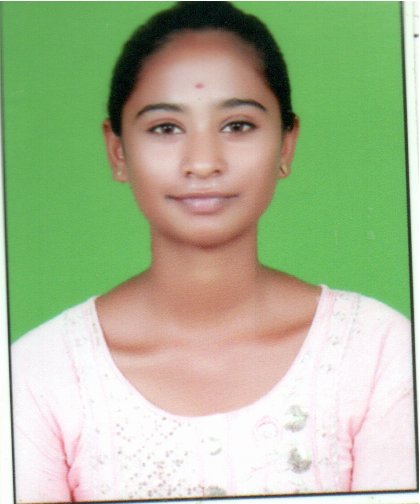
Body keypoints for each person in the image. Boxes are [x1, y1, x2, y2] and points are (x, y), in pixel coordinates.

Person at [11, 2, 416, 502]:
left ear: (287, 144)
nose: (203, 163)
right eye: (165, 127)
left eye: (237, 125)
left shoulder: (377, 353)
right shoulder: (38, 374)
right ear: (117, 151)